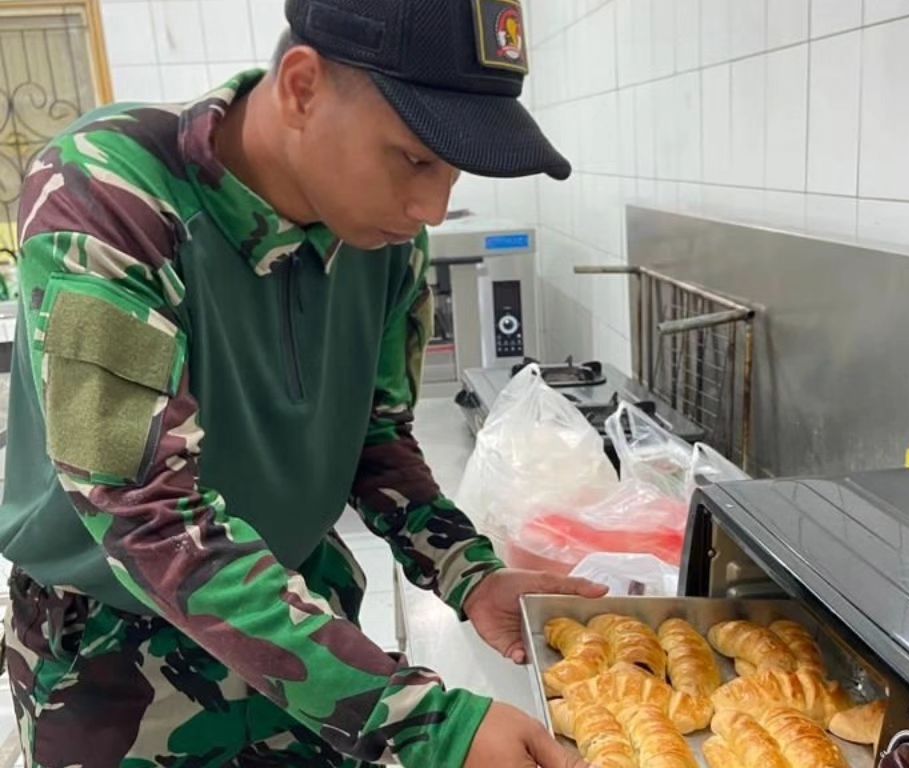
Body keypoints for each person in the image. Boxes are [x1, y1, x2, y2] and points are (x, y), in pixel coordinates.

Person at [0, 0, 606, 764]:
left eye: (452, 170)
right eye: (414, 159)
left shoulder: (385, 244)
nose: (431, 208)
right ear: (301, 88)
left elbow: (374, 438)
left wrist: (467, 572)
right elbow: (149, 519)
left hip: (301, 624)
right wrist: (423, 723)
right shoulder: (109, 193)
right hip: (116, 665)